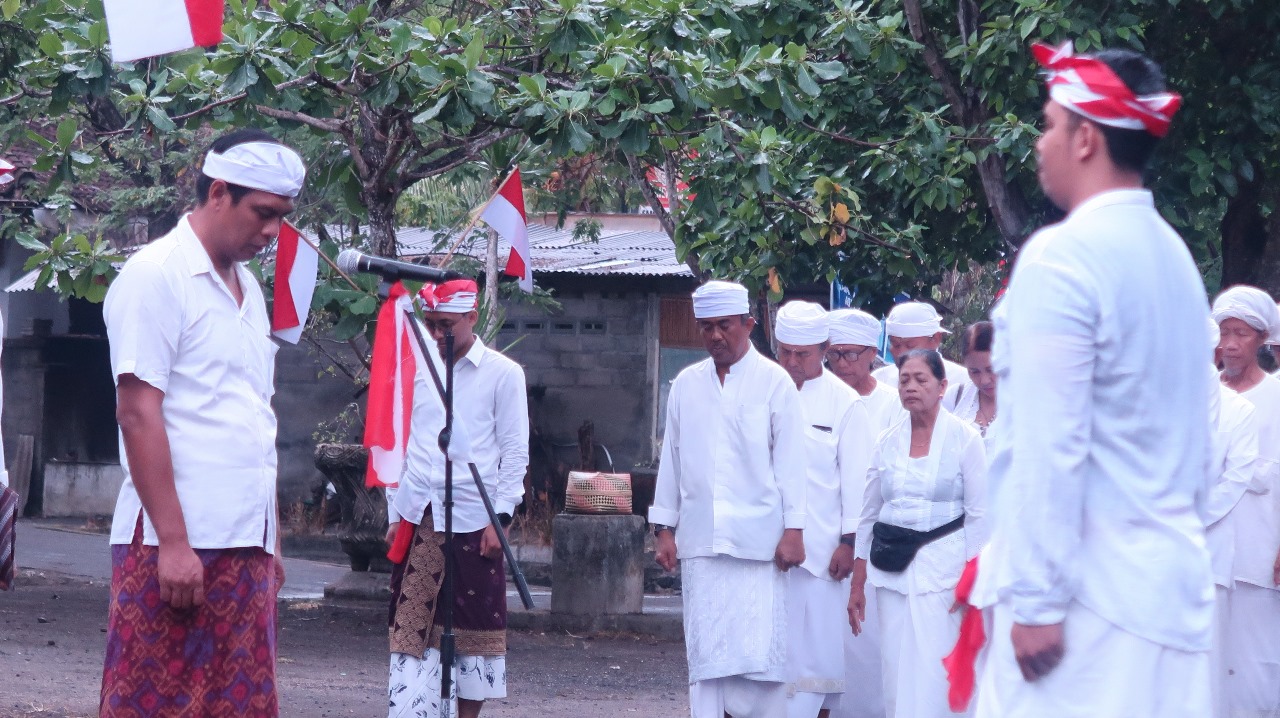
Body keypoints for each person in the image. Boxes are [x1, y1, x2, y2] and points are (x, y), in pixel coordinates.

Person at [974, 41, 1215, 718]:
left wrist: (1037, 600)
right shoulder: (1177, 259)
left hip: (1087, 611)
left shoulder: (1062, 256)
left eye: (1049, 124)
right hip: (1170, 597)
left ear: (1085, 138)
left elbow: (1047, 442)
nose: (1040, 142)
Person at [99, 129, 305, 716]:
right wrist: (173, 542)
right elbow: (138, 411)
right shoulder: (155, 275)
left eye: (282, 217)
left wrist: (271, 540)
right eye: (263, 213)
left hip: (245, 544)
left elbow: (254, 418)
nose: (273, 231)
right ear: (218, 193)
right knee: (154, 704)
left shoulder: (250, 291)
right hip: (174, 543)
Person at [650, 280, 807, 718]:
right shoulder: (686, 385)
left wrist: (794, 530)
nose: (715, 335)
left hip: (760, 547)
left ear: (748, 324)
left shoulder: (775, 382)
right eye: (707, 327)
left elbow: (791, 464)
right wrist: (664, 528)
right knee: (707, 664)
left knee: (761, 665)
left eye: (725, 325)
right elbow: (672, 460)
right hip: (702, 544)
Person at [384, 279, 529, 718]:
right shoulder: (419, 367)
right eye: (430, 325)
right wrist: (395, 511)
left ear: (471, 317)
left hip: (474, 519)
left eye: (446, 325)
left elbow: (515, 452)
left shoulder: (504, 374)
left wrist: (501, 518)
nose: (437, 335)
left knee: (474, 638)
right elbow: (405, 441)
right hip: (419, 516)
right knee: (410, 634)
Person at [850, 350, 986, 718]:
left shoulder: (965, 439)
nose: (910, 387)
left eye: (921, 379)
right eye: (904, 380)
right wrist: (857, 582)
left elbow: (979, 515)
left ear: (942, 387)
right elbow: (869, 513)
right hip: (892, 573)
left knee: (934, 672)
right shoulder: (887, 441)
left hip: (945, 576)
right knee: (896, 669)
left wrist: (972, 581)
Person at [773, 302, 876, 718]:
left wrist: (849, 543)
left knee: (818, 669)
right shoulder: (764, 392)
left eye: (803, 354)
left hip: (821, 557)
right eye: (785, 352)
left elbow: (858, 484)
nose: (792, 363)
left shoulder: (844, 403)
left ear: (824, 349)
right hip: (768, 554)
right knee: (770, 668)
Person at [1210, 284, 1280, 716]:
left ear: (1262, 339)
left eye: (1241, 333)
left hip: (1260, 557)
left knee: (1256, 675)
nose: (1231, 344)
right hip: (1206, 559)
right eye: (1224, 332)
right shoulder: (1202, 396)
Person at [1200, 318, 1260, 718]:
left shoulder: (1238, 410)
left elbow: (1236, 478)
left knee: (1207, 664)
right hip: (1150, 552)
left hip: (1209, 552)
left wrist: (1186, 519)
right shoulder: (1151, 402)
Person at [871, 302, 968, 405]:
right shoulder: (879, 380)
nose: (901, 353)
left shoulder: (963, 381)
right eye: (896, 345)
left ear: (935, 339)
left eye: (910, 346)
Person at [828, 308, 898, 431]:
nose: (841, 364)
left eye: (851, 355)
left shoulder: (894, 404)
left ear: (872, 353)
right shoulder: (816, 397)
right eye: (833, 354)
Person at [949, 323, 997, 440]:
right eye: (974, 372)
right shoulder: (955, 397)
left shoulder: (1029, 402)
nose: (984, 381)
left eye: (991, 370)